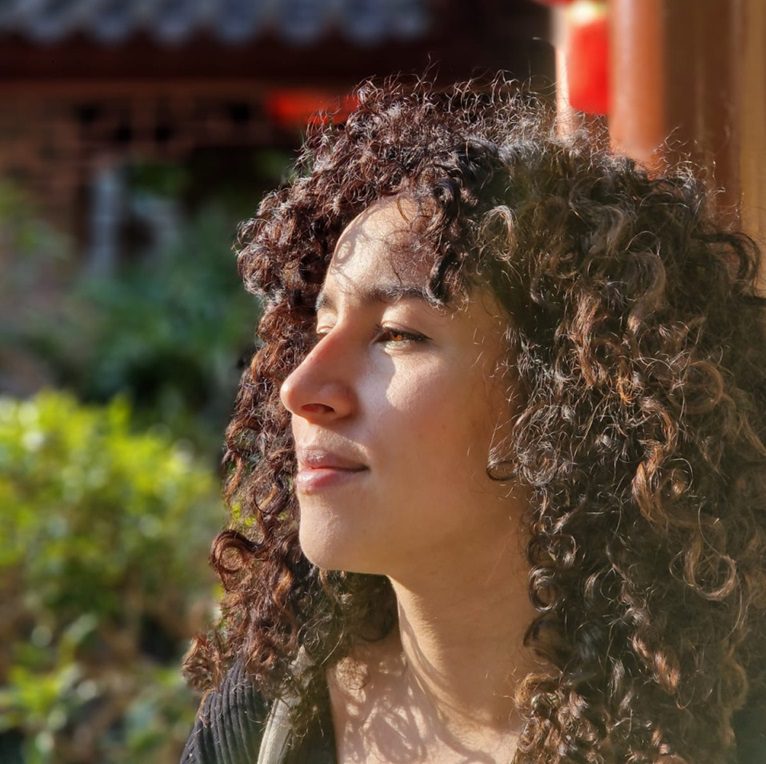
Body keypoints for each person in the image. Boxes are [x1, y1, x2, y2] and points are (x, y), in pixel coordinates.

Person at [180, 77, 766, 763]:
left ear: (567, 397)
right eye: (321, 325)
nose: (301, 388)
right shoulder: (264, 718)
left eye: (397, 334)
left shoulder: (731, 728)